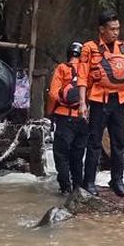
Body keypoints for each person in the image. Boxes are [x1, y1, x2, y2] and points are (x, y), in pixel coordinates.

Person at [81, 9, 124, 196]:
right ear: (102, 29)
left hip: (119, 100)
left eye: (118, 28)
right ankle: (89, 181)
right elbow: (82, 77)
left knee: (118, 142)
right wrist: (83, 103)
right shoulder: (89, 48)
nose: (116, 32)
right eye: (112, 29)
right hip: (98, 100)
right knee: (94, 142)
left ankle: (117, 180)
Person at [46, 41, 89, 195]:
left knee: (61, 154)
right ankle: (78, 188)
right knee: (78, 155)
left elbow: (53, 94)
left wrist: (50, 112)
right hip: (83, 118)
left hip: (65, 118)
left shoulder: (62, 68)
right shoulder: (87, 70)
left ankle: (65, 187)